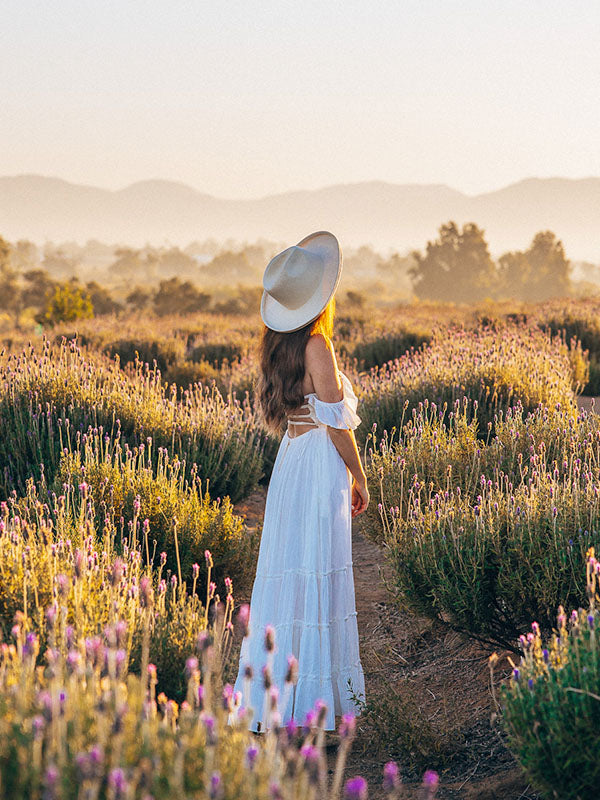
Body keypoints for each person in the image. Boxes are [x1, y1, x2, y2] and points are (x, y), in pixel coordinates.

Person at [233, 230, 368, 732]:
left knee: (289, 571)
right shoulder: (317, 345)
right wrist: (359, 475)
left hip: (290, 457)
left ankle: (275, 702)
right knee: (315, 568)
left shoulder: (276, 346)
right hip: (315, 462)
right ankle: (313, 709)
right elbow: (335, 422)